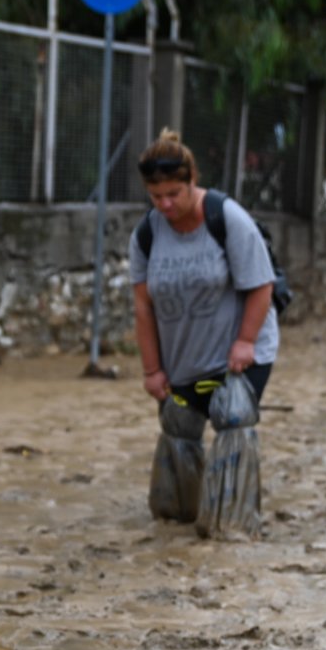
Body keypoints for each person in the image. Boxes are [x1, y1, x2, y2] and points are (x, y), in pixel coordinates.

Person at [127, 129, 277, 534]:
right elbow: (143, 307)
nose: (166, 204)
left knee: (231, 415)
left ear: (193, 179)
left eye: (174, 193)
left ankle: (231, 521)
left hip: (237, 356)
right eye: (156, 196)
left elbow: (262, 286)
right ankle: (180, 510)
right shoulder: (146, 234)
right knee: (178, 422)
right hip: (184, 360)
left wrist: (245, 341)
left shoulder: (227, 219)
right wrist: (152, 370)